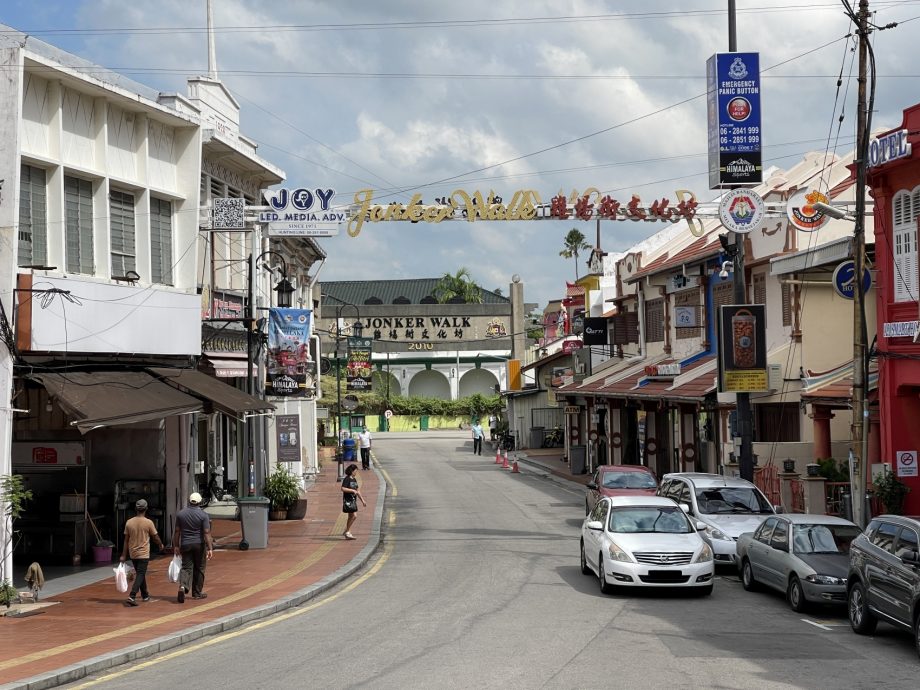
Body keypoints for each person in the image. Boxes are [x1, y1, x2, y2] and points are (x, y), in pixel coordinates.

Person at [120, 498, 165, 606]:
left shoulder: (129, 522)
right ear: (146, 509)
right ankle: (132, 596)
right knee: (140, 573)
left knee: (141, 573)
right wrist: (160, 545)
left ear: (136, 509)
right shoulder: (148, 522)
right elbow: (155, 536)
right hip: (143, 553)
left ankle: (145, 595)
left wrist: (123, 555)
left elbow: (126, 540)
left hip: (133, 553)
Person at [173, 492, 213, 603]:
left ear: (189, 501)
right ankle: (196, 593)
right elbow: (206, 533)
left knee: (186, 567)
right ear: (199, 502)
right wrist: (210, 548)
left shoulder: (181, 514)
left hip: (185, 544)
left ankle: (182, 587)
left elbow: (177, 531)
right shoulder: (203, 515)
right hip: (199, 545)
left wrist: (176, 545)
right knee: (199, 568)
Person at [341, 464, 366, 540]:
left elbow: (358, 491)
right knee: (354, 516)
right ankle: (347, 531)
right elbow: (342, 488)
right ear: (352, 471)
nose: (356, 472)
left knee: (350, 517)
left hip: (353, 501)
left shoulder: (354, 480)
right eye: (355, 471)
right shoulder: (347, 479)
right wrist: (352, 490)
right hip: (348, 500)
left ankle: (347, 531)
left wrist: (362, 500)